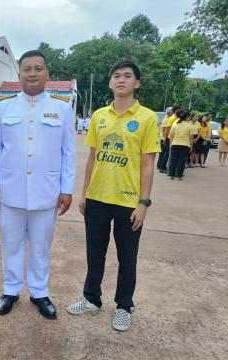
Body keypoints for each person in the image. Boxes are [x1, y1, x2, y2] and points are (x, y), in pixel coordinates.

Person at [67, 60, 160, 331]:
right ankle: (92, 298)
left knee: (127, 257)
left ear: (137, 83)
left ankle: (123, 306)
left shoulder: (146, 118)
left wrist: (143, 203)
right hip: (97, 198)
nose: (121, 80)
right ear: (110, 82)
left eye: (127, 76)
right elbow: (92, 158)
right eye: (116, 76)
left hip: (128, 202)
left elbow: (147, 163)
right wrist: (84, 194)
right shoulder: (99, 116)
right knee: (95, 253)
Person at [0, 50, 76, 320]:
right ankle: (11, 289)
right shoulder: (4, 107)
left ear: (47, 74)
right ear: (19, 74)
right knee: (10, 243)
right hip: (10, 190)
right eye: (27, 69)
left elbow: (68, 152)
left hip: (45, 191)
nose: (32, 73)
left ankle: (39, 291)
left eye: (38, 68)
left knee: (40, 245)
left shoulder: (61, 108)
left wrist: (67, 188)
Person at [167, 109, 193, 180]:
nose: (190, 118)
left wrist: (170, 144)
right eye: (189, 117)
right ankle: (178, 176)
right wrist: (191, 146)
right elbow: (191, 138)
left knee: (173, 160)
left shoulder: (175, 124)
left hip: (175, 144)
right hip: (185, 145)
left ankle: (171, 175)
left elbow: (171, 135)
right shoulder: (189, 125)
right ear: (186, 117)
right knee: (181, 161)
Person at [159, 105, 180, 173]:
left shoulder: (173, 118)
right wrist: (165, 139)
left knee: (166, 153)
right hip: (168, 137)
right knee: (166, 153)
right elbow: (165, 130)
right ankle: (162, 167)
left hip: (169, 137)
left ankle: (162, 166)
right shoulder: (170, 118)